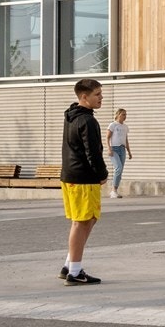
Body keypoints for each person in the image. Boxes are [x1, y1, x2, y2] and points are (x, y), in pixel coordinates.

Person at [60, 78, 109, 285]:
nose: (101, 98)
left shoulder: (72, 116)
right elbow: (93, 152)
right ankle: (75, 272)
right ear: (84, 97)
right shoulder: (87, 121)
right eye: (97, 94)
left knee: (86, 219)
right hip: (84, 178)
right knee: (82, 222)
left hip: (70, 176)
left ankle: (69, 265)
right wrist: (102, 173)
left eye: (101, 93)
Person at [106, 108, 132, 197]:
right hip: (114, 149)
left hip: (122, 149)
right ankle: (113, 191)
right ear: (118, 115)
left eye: (126, 115)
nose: (125, 116)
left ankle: (115, 191)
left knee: (120, 171)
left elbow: (126, 139)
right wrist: (109, 149)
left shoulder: (125, 127)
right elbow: (107, 138)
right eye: (123, 114)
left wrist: (129, 151)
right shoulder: (113, 125)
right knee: (118, 168)